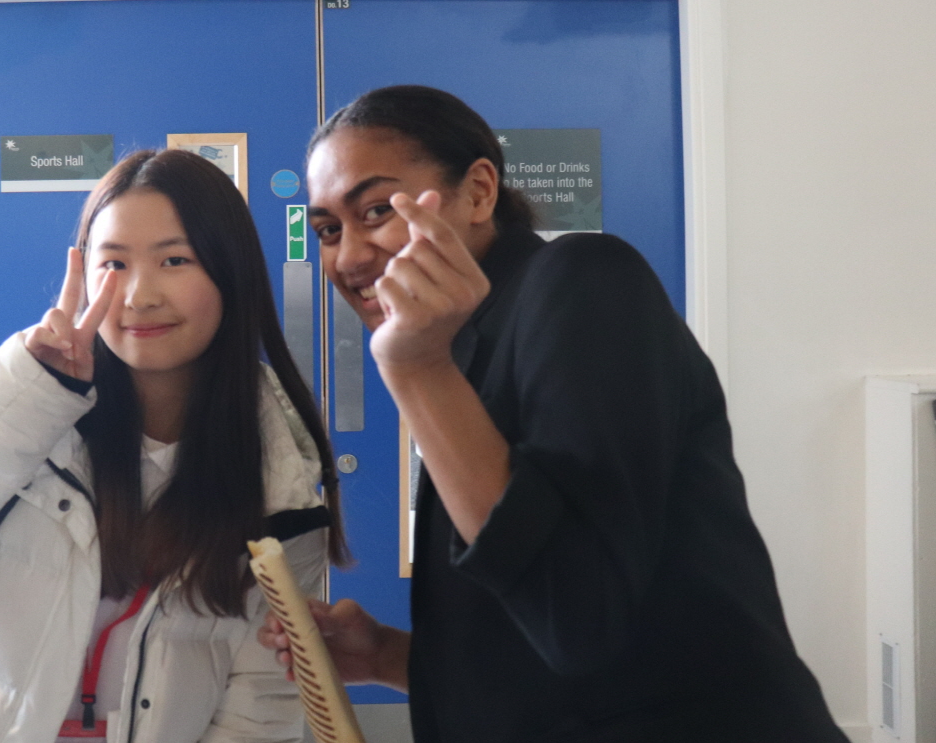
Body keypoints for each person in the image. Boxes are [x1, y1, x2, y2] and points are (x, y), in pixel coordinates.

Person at [262, 85, 844, 743]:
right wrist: (388, 657)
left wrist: (416, 369)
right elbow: (559, 636)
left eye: (375, 211)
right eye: (328, 230)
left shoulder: (582, 280)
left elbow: (576, 614)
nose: (347, 257)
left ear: (479, 192)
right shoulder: (464, 349)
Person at [0, 149, 347, 743]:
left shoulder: (280, 473)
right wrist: (30, 392)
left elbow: (259, 704)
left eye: (175, 260)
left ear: (230, 273)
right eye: (113, 264)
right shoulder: (28, 410)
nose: (139, 295)